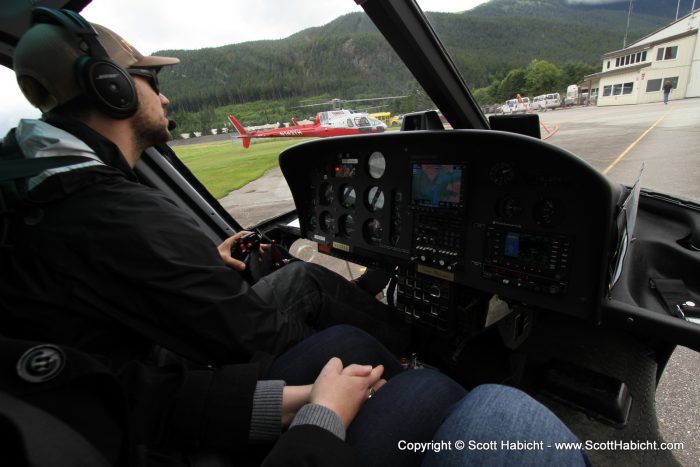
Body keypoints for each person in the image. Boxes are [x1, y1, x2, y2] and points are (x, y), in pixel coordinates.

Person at [0, 8, 590, 466]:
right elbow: (242, 331)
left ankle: (409, 351)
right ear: (112, 88)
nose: (165, 94)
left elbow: (119, 343)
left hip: (151, 388)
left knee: (306, 274)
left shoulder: (38, 190)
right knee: (494, 405)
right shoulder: (111, 212)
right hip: (187, 413)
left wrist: (195, 267)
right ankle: (418, 360)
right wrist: (317, 412)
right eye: (150, 78)